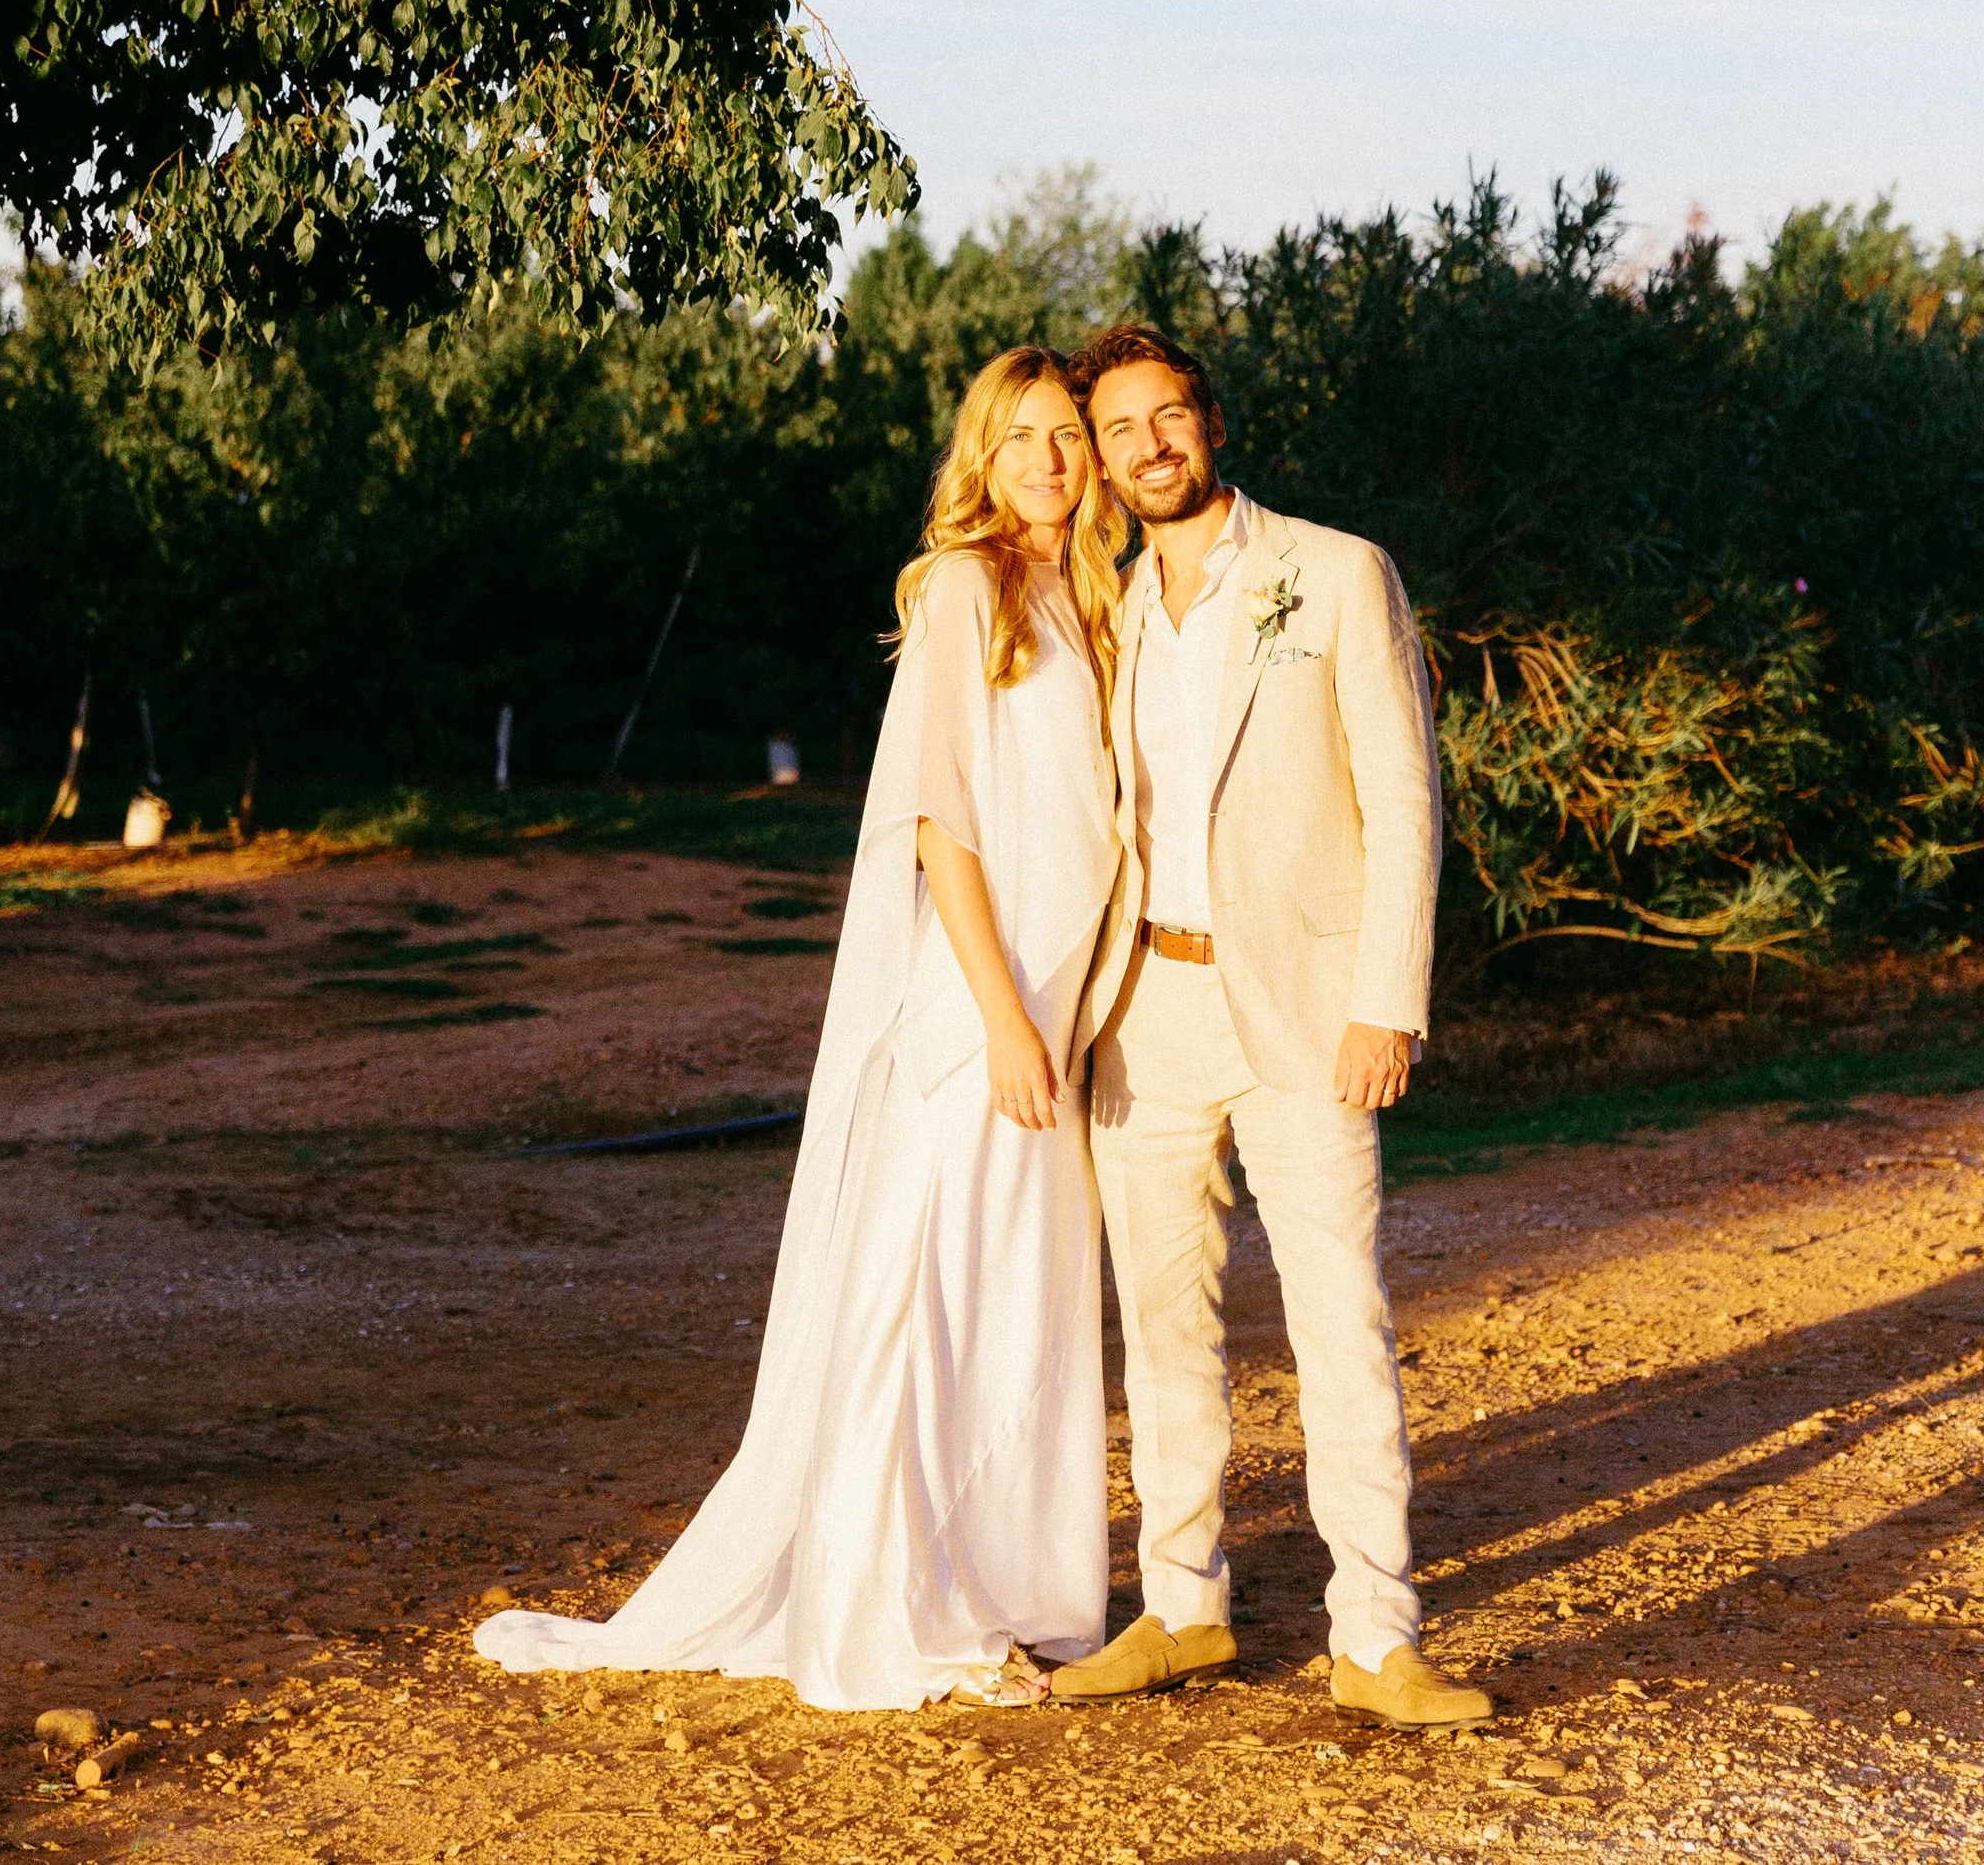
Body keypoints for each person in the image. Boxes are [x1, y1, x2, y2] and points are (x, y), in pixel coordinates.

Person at [473, 348, 1124, 1713]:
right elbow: (940, 824)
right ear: (983, 456)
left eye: (1067, 433)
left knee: (1020, 1301)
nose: (1049, 460)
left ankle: (1006, 1583)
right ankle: (895, 1607)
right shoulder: (966, 589)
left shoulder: (1097, 595)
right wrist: (1002, 1016)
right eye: (1020, 438)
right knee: (928, 1296)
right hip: (986, 1005)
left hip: (1068, 1002)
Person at [1051, 322, 1490, 1731]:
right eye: (1120, 430)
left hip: (1308, 1005)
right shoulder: (1104, 605)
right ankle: (1183, 1607)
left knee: (1338, 1315)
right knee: (1162, 1323)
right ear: (1102, 459)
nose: (1148, 446)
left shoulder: (1337, 571)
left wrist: (1388, 1000)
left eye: (1167, 416)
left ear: (1212, 423)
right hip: (1145, 1008)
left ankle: (1378, 1634)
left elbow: (1406, 795)